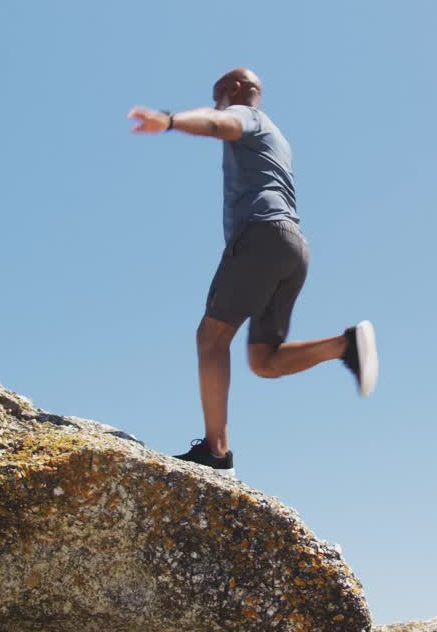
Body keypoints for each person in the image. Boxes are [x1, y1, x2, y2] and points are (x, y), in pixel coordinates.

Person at [127, 68, 378, 478]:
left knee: (211, 338)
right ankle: (344, 345)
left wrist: (169, 120)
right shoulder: (277, 137)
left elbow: (219, 123)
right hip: (293, 247)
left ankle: (216, 452)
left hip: (260, 237)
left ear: (236, 90)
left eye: (218, 95)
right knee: (264, 360)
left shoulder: (249, 117)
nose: (216, 103)